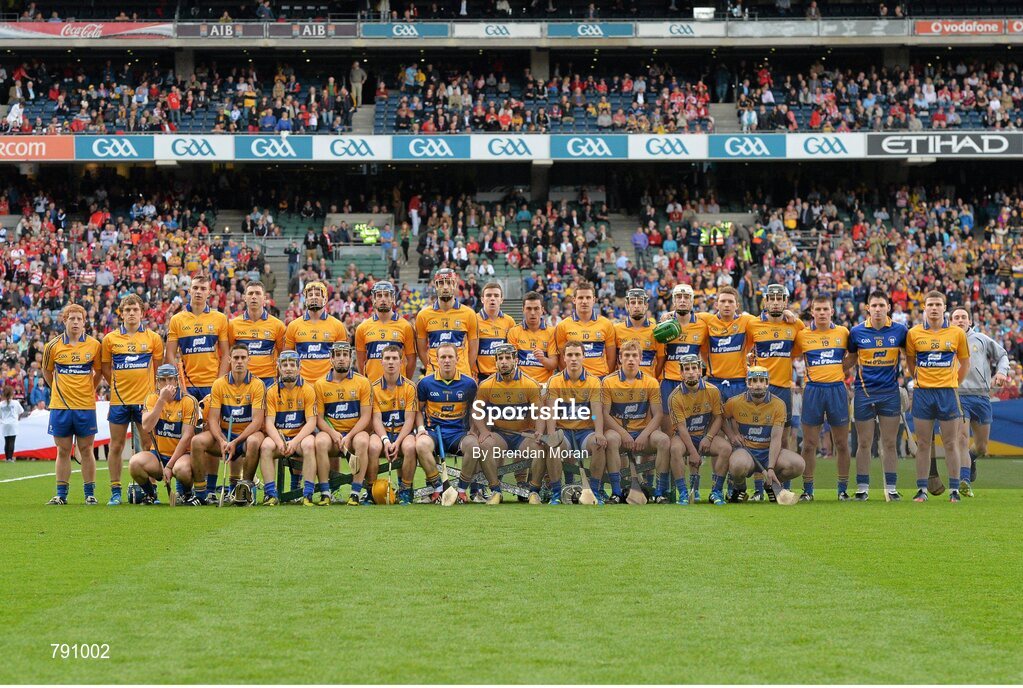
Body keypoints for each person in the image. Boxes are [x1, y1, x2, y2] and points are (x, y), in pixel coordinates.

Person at [100, 294, 165, 506]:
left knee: (147, 445)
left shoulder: (153, 338)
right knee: (116, 445)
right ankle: (115, 490)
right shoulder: (110, 339)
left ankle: (150, 490)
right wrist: (118, 386)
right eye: (127, 310)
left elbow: (157, 370)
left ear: (142, 312)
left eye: (135, 310)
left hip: (145, 402)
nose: (131, 313)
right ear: (121, 313)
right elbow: (105, 369)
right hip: (119, 401)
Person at [906, 292, 971, 503]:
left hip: (947, 393)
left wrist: (952, 383)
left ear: (945, 308)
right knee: (923, 443)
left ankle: (953, 490)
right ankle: (922, 490)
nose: (934, 308)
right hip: (923, 393)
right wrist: (922, 380)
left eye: (938, 305)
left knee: (951, 442)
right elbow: (910, 364)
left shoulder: (956, 333)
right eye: (930, 304)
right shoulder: (914, 333)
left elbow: (965, 364)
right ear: (924, 308)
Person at [847, 291, 909, 501]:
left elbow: (910, 356)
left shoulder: (900, 331)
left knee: (890, 443)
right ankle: (862, 488)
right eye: (874, 305)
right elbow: (851, 360)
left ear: (888, 308)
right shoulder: (856, 332)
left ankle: (891, 488)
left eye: (882, 305)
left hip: (890, 394)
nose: (878, 309)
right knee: (864, 443)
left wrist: (916, 378)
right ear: (868, 308)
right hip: (864, 394)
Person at [190, 344, 267, 505]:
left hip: (247, 436)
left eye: (243, 358)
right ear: (230, 359)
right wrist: (222, 440)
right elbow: (212, 419)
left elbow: (257, 421)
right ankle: (202, 494)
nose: (239, 361)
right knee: (197, 441)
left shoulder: (257, 385)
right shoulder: (219, 384)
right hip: (226, 434)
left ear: (249, 360)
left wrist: (236, 442)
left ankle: (244, 490)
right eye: (236, 358)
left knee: (253, 441)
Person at [793, 297, 851, 501]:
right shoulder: (803, 335)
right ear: (812, 311)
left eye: (826, 309)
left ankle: (842, 489)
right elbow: (789, 354)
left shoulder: (843, 332)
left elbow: (853, 356)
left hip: (837, 389)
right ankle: (808, 490)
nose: (822, 312)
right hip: (813, 390)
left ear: (832, 311)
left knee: (842, 443)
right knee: (809, 443)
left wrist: (837, 370)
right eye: (818, 309)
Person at [44, 304, 103, 505]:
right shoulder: (52, 346)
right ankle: (61, 495)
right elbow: (47, 372)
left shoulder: (94, 345)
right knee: (62, 450)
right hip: (60, 406)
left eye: (79, 319)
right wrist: (57, 389)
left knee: (87, 449)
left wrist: (89, 389)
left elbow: (99, 372)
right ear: (65, 321)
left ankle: (90, 494)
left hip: (85, 406)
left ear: (84, 322)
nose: (75, 322)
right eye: (72, 318)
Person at [474, 344, 546, 504]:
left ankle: (533, 490)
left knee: (540, 446)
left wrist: (539, 432)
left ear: (516, 360)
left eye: (508, 358)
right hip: (500, 434)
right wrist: (483, 430)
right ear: (496, 362)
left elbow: (541, 412)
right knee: (485, 444)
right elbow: (476, 411)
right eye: (500, 359)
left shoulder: (530, 384)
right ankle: (495, 490)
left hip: (524, 434)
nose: (504, 362)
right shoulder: (486, 384)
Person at [722, 367, 806, 504]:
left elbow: (776, 438)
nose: (758, 384)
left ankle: (770, 485)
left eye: (762, 380)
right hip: (746, 451)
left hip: (768, 452)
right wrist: (732, 435)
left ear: (767, 383)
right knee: (738, 466)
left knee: (798, 465)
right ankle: (740, 487)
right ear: (748, 383)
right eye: (754, 381)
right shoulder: (734, 402)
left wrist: (771, 468)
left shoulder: (778, 404)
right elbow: (720, 418)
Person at [369, 345, 440, 505]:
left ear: (402, 361)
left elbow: (410, 419)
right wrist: (386, 441)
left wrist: (397, 442)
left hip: (403, 433)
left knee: (409, 446)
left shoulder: (410, 387)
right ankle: (370, 491)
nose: (391, 362)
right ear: (381, 362)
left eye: (395, 358)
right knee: (372, 446)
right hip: (382, 433)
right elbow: (376, 418)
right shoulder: (373, 388)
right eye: (387, 358)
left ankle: (405, 490)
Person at [950, 307, 1010, 494]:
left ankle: (971, 457)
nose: (960, 320)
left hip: (982, 396)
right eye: (956, 317)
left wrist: (1001, 372)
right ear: (951, 321)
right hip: (958, 395)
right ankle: (964, 480)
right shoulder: (946, 340)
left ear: (970, 321)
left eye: (963, 317)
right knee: (961, 438)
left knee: (982, 446)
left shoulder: (982, 339)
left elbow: (1002, 356)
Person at [602, 340, 669, 504]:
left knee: (664, 440)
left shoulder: (651, 382)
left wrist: (644, 435)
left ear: (640, 358)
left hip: (642, 435)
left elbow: (658, 414)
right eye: (626, 356)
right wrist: (623, 433)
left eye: (634, 356)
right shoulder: (608, 381)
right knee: (610, 439)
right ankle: (617, 492)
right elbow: (603, 414)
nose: (630, 359)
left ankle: (659, 492)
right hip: (620, 434)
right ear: (620, 358)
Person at [415, 343, 480, 504]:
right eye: (443, 357)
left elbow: (475, 410)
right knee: (421, 445)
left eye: (450, 357)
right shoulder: (425, 383)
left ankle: (462, 490)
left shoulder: (469, 383)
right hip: (434, 432)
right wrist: (421, 428)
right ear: (436, 360)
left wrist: (473, 429)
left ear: (457, 359)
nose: (447, 360)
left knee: (474, 446)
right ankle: (438, 489)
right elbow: (417, 410)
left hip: (458, 434)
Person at [127, 364, 200, 505]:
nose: (167, 384)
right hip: (158, 455)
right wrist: (161, 401)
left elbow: (187, 437)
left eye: (171, 379)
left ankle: (187, 494)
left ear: (177, 380)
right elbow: (147, 426)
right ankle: (150, 493)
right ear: (157, 382)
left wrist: (169, 466)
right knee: (135, 463)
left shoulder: (189, 401)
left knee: (182, 470)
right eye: (163, 380)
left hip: (181, 455)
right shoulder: (151, 399)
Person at [545, 341, 608, 502]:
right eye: (570, 355)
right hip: (564, 432)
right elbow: (551, 412)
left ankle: (594, 490)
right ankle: (557, 493)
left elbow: (596, 413)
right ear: (564, 358)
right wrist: (551, 434)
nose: (573, 359)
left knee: (599, 444)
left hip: (585, 432)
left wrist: (599, 433)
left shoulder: (594, 381)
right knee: (553, 447)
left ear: (583, 357)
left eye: (577, 355)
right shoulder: (555, 380)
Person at [314, 342, 373, 505]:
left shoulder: (363, 382)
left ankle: (355, 491)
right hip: (332, 435)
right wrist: (333, 434)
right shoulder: (320, 384)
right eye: (338, 355)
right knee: (319, 441)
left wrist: (349, 436)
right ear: (331, 359)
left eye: (345, 355)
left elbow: (366, 416)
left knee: (362, 440)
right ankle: (325, 492)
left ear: (350, 358)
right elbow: (319, 418)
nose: (341, 359)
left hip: (354, 433)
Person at [668, 354, 732, 504]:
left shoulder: (713, 390)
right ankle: (684, 492)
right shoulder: (674, 397)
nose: (691, 372)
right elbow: (681, 428)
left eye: (694, 368)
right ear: (681, 373)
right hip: (684, 437)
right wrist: (693, 452)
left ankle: (716, 492)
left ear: (700, 371)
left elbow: (718, 418)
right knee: (675, 449)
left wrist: (708, 437)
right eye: (687, 369)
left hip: (704, 435)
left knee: (726, 448)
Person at [745, 284, 802, 450]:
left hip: (783, 389)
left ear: (785, 302)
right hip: (759, 388)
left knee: (783, 440)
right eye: (772, 299)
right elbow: (743, 350)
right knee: (757, 439)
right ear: (765, 302)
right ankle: (759, 476)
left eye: (779, 299)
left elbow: (801, 349)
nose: (775, 303)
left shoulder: (795, 325)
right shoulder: (753, 324)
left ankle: (783, 476)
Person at [259, 351, 318, 506]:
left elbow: (311, 422)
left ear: (299, 368)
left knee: (310, 444)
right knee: (265, 446)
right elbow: (269, 422)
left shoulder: (308, 389)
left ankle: (308, 494)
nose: (288, 368)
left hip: (300, 438)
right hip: (280, 438)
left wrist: (295, 441)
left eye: (292, 365)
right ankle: (271, 494)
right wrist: (279, 442)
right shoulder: (271, 391)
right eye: (284, 365)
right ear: (279, 367)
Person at [165, 273, 230, 401]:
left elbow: (226, 353)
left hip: (212, 383)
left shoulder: (220, 318)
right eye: (195, 288)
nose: (198, 292)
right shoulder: (176, 320)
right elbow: (170, 354)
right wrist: (179, 383)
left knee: (213, 421)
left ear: (209, 292)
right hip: (187, 384)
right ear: (189, 291)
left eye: (203, 288)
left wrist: (219, 383)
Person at [658, 284, 709, 432]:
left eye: (686, 297)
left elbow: (706, 355)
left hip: (692, 382)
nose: (682, 300)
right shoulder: (664, 324)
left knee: (692, 430)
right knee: (668, 431)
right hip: (668, 382)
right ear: (673, 301)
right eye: (678, 297)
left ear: (692, 301)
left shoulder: (702, 325)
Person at [698, 286, 758, 404]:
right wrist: (671, 313)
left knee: (738, 420)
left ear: (737, 305)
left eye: (731, 302)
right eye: (723, 301)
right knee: (715, 420)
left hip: (739, 382)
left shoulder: (747, 321)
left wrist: (785, 312)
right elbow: (685, 315)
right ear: (716, 305)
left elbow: (767, 322)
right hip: (714, 382)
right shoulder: (707, 320)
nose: (726, 305)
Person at [415, 268, 479, 377]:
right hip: (434, 376)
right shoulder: (423, 315)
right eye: (441, 283)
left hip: (462, 375)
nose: (445, 287)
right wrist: (432, 368)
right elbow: (421, 351)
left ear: (455, 284)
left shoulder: (469, 314)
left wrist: (463, 368)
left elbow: (473, 351)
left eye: (449, 282)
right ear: (435, 285)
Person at [284, 280, 349, 382]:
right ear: (305, 299)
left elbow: (343, 359)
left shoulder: (337, 325)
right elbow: (287, 358)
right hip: (302, 385)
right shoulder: (293, 326)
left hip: (329, 384)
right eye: (310, 295)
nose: (314, 297)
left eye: (318, 294)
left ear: (325, 298)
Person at [355, 281, 417, 382]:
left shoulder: (406, 326)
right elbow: (360, 362)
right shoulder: (362, 328)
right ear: (373, 299)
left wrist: (403, 381)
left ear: (393, 298)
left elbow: (411, 361)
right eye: (379, 295)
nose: (383, 299)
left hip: (399, 388)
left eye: (387, 295)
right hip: (373, 387)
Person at [228, 281, 286, 389]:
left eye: (258, 293)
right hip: (241, 379)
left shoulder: (278, 325)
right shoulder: (233, 324)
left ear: (264, 298)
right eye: (250, 294)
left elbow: (282, 355)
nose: (254, 297)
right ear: (244, 298)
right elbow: (229, 354)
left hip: (268, 380)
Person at [553, 282, 617, 376]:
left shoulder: (606, 324)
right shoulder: (563, 325)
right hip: (574, 380)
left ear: (594, 300)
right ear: (574, 300)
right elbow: (562, 359)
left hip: (600, 378)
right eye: (580, 298)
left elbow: (611, 358)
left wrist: (605, 377)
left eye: (588, 297)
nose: (584, 301)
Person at [505, 290, 558, 384]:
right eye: (529, 308)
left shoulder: (552, 332)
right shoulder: (514, 332)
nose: (532, 312)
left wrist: (542, 359)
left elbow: (553, 365)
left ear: (542, 310)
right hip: (520, 385)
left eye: (536, 308)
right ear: (523, 309)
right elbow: (511, 364)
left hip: (543, 385)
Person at [614, 288, 665, 378]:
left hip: (648, 386)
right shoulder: (616, 329)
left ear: (646, 305)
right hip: (623, 384)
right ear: (627, 305)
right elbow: (613, 359)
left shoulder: (656, 330)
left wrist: (652, 379)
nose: (636, 306)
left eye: (640, 302)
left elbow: (661, 359)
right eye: (633, 303)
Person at [475, 282, 516, 379]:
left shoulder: (509, 321)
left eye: (496, 295)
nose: (492, 298)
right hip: (480, 377)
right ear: (482, 299)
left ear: (501, 300)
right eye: (488, 295)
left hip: (503, 377)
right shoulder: (474, 320)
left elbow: (513, 351)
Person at [0, 386, 23, 461]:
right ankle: (10, 457)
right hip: (13, 423)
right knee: (12, 441)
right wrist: (17, 418)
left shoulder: (1, 404)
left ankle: (7, 457)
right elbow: (21, 412)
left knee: (6, 441)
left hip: (4, 424)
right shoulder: (15, 403)